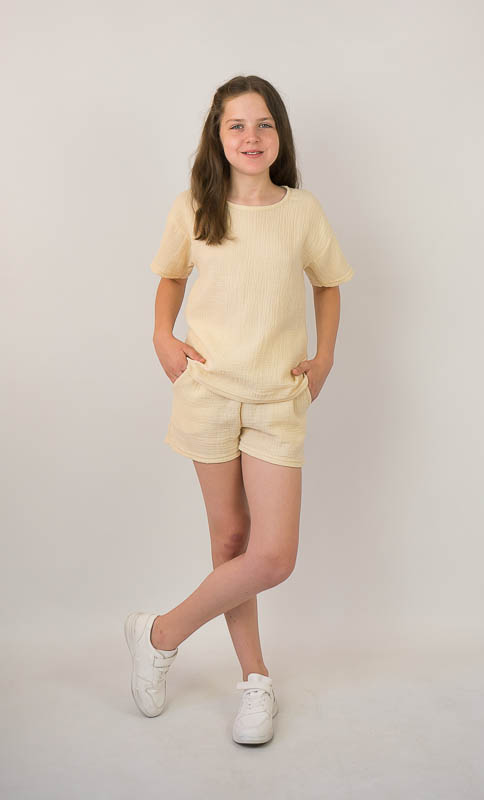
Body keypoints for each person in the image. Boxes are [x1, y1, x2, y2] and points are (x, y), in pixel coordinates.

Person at [124, 75, 354, 745]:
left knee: (272, 556)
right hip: (208, 393)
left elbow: (328, 285)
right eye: (237, 125)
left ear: (279, 135)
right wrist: (162, 336)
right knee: (229, 543)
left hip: (279, 397)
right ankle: (255, 678)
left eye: (263, 124)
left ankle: (159, 633)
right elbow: (171, 276)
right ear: (217, 136)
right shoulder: (195, 206)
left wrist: (325, 357)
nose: (251, 137)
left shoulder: (301, 210)